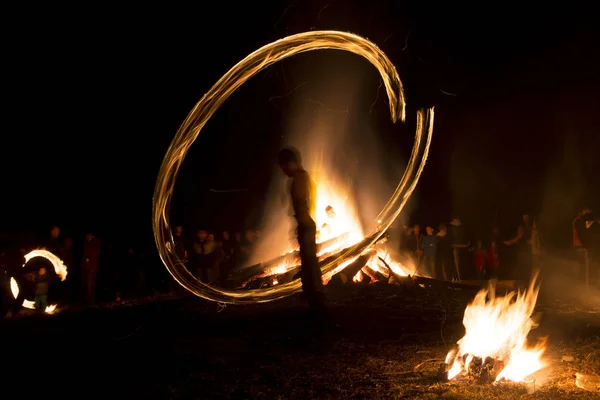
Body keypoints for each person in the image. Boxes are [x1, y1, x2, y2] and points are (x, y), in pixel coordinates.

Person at [278, 147, 325, 313]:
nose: (283, 171)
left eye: (284, 167)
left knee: (310, 262)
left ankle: (316, 298)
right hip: (305, 225)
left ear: (291, 163)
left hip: (306, 225)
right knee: (308, 261)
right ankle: (313, 297)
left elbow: (301, 202)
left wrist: (302, 223)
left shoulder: (300, 177)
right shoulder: (302, 177)